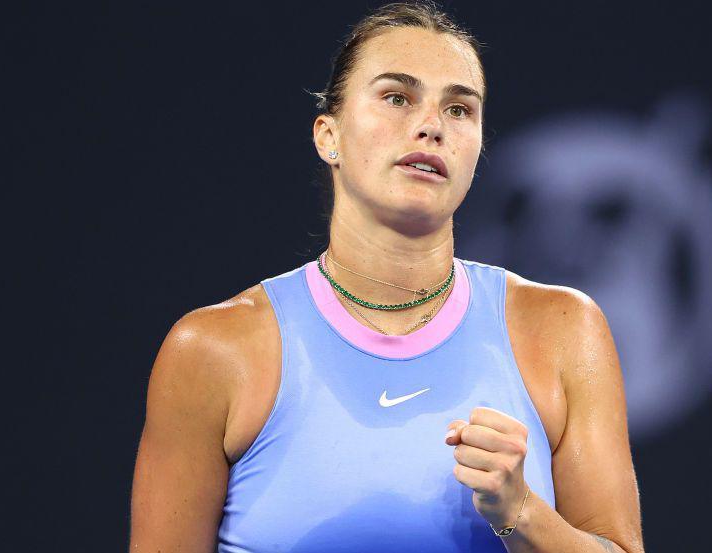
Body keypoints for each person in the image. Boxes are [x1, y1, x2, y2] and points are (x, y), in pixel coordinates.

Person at [129, 2, 644, 552]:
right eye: (397, 97)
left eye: (459, 110)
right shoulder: (212, 352)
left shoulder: (564, 330)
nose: (430, 126)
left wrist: (522, 512)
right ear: (329, 136)